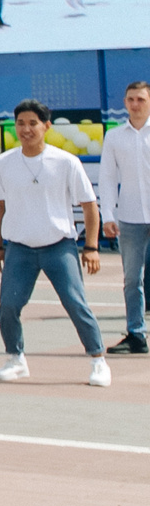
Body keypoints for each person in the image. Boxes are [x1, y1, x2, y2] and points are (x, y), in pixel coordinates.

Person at [0, 98, 113, 387]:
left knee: (75, 303)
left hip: (58, 245)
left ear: (46, 126)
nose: (26, 129)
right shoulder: (3, 162)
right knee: (8, 306)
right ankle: (16, 358)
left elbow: (89, 205)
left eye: (33, 123)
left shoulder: (66, 162)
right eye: (21, 123)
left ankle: (98, 360)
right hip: (19, 247)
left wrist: (91, 247)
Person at [104, 80, 150, 355]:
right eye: (131, 99)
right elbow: (108, 177)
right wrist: (108, 214)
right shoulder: (115, 136)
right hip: (130, 217)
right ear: (124, 102)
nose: (135, 104)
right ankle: (136, 334)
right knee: (133, 279)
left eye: (141, 99)